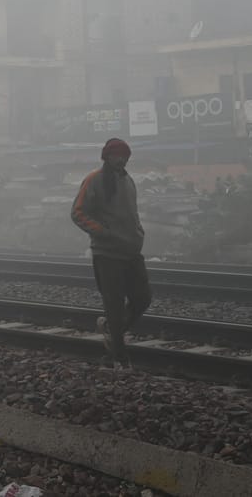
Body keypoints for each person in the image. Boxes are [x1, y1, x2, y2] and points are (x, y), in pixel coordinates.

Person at [70, 138, 150, 366]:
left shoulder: (128, 181)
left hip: (131, 251)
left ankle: (109, 330)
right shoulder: (94, 180)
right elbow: (77, 212)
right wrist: (102, 232)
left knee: (143, 298)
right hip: (107, 253)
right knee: (114, 304)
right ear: (107, 156)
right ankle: (119, 356)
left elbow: (131, 214)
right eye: (116, 155)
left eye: (124, 156)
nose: (121, 159)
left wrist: (138, 233)